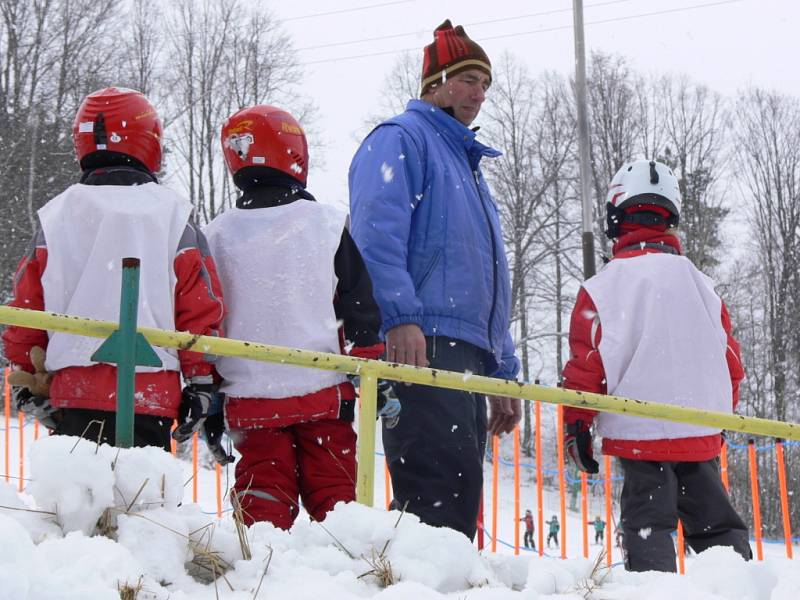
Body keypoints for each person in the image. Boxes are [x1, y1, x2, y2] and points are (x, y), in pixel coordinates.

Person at [348, 19, 521, 541]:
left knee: (459, 501)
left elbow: (487, 281)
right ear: (435, 82)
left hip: (468, 352)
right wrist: (398, 318)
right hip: (422, 345)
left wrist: (503, 371)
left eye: (486, 84)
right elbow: (375, 237)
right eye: (469, 79)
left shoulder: (465, 164)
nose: (480, 94)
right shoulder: (402, 140)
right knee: (435, 500)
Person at [2, 87, 225, 452]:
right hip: (149, 389)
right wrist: (201, 378)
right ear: (150, 140)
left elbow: (27, 303)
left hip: (73, 389)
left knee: (77, 498)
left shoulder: (56, 215)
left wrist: (26, 372)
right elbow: (199, 303)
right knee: (142, 500)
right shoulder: (174, 214)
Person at [561, 159, 751, 572]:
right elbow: (729, 360)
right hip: (699, 426)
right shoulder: (703, 286)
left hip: (640, 430)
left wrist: (577, 424)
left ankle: (654, 586)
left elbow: (586, 366)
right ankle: (736, 582)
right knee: (715, 520)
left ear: (616, 216)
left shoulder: (602, 288)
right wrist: (722, 414)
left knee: (649, 521)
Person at [205, 105, 387, 528]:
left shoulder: (216, 235)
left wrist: (209, 394)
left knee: (263, 493)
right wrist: (373, 366)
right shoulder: (325, 223)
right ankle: (348, 571)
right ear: (295, 153)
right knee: (337, 496)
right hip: (321, 391)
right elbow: (359, 303)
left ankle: (262, 572)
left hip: (250, 396)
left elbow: (206, 319)